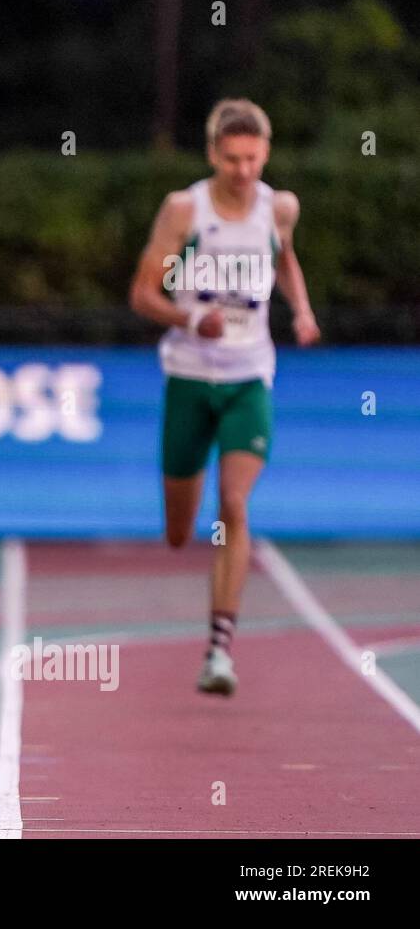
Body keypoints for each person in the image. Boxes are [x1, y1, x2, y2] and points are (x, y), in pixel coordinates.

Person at [129, 98, 320, 696]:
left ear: (265, 155)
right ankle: (191, 543)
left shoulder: (278, 206)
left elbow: (284, 258)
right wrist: (190, 321)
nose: (243, 170)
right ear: (214, 154)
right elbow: (142, 295)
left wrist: (303, 310)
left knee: (234, 505)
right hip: (189, 377)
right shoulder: (185, 210)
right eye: (232, 159)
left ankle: (219, 650)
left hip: (248, 379)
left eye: (253, 159)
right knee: (181, 530)